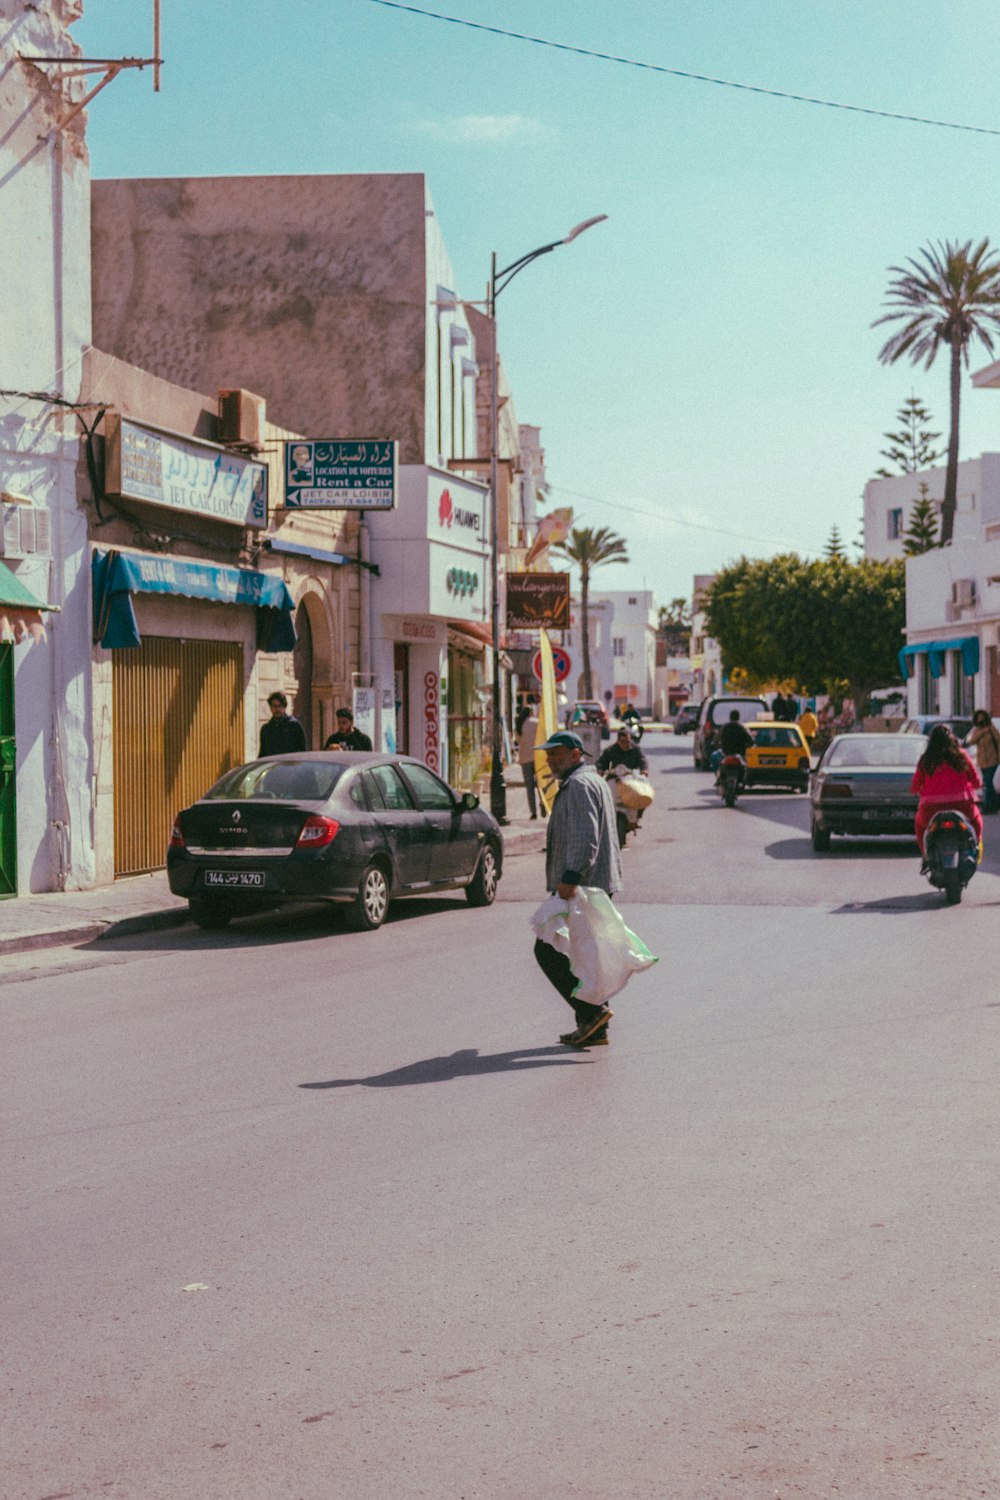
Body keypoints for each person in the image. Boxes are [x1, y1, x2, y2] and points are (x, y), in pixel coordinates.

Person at [533, 730, 623, 1049]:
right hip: (592, 884)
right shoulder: (589, 781)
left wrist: (571, 876)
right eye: (547, 754)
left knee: (548, 949)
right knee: (581, 957)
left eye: (555, 753)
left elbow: (586, 838)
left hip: (582, 885)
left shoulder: (580, 785)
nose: (549, 759)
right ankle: (593, 1027)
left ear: (575, 754)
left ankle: (591, 1013)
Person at [911, 723, 983, 861]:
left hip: (930, 808)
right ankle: (975, 848)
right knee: (976, 821)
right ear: (952, 738)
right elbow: (975, 779)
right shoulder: (961, 755)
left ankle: (926, 855)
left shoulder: (926, 759)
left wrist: (917, 791)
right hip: (962, 805)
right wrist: (977, 785)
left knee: (919, 825)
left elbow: (915, 785)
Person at [965, 709, 1000, 814]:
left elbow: (998, 741)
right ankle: (993, 805)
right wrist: (982, 732)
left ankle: (988, 806)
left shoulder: (991, 729)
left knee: (989, 784)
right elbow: (971, 741)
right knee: (987, 784)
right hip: (982, 761)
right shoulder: (977, 731)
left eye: (982, 719)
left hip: (992, 760)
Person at [518, 702, 545, 820]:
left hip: (525, 759)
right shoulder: (536, 723)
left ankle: (533, 812)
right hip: (538, 758)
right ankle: (543, 804)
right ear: (531, 713)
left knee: (529, 787)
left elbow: (519, 742)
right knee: (541, 784)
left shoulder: (518, 726)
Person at [259, 692, 308, 757]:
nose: (277, 709)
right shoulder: (266, 729)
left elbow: (302, 751)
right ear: (270, 707)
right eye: (274, 706)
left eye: (280, 706)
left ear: (284, 707)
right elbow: (263, 753)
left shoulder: (294, 726)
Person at [712, 709, 753, 775]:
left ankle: (717, 776)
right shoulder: (742, 728)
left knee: (714, 757)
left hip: (726, 752)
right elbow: (751, 741)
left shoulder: (725, 727)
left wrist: (717, 745)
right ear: (738, 717)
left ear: (730, 717)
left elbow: (716, 739)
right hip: (740, 753)